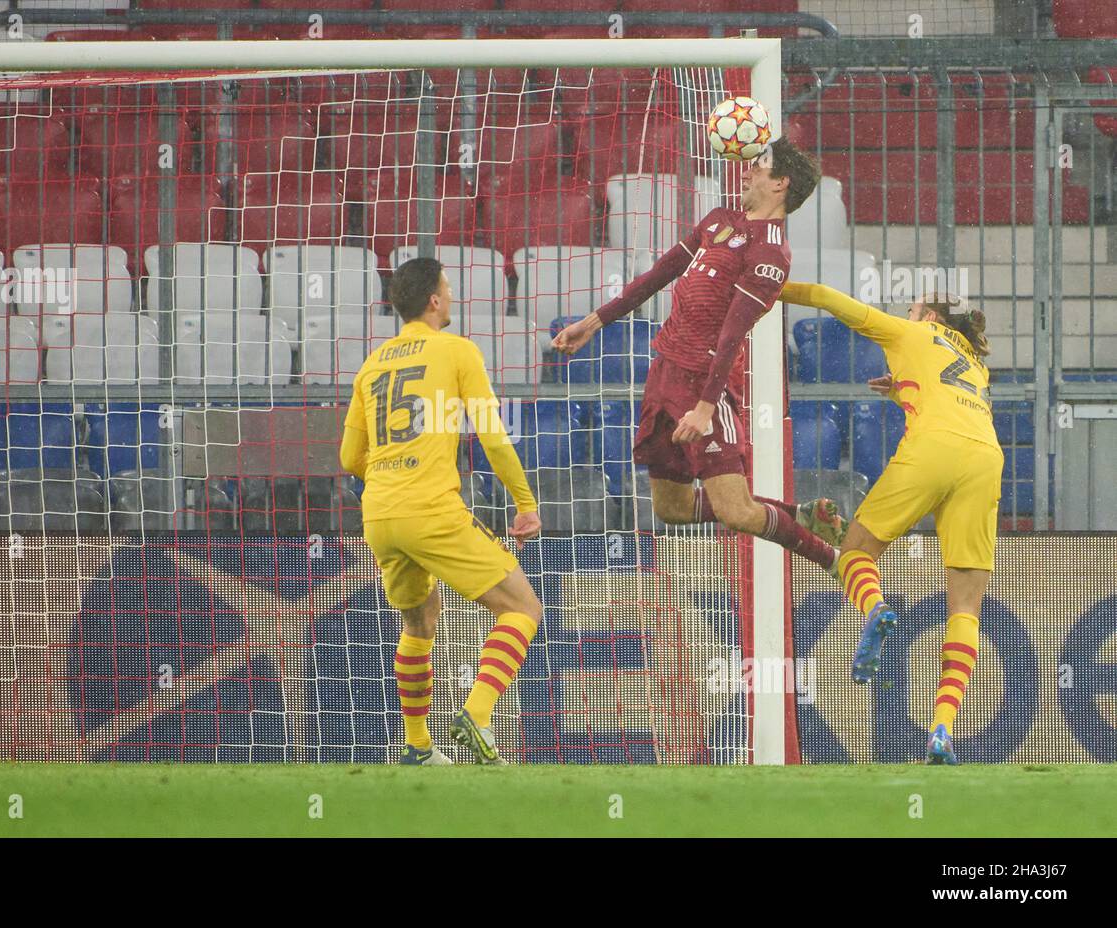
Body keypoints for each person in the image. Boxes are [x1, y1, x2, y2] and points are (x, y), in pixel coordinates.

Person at [553, 137, 847, 569]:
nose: (745, 172)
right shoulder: (719, 221)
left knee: (737, 512)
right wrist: (594, 322)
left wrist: (707, 408)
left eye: (758, 168)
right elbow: (658, 275)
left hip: (702, 384)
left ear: (781, 183)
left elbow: (733, 332)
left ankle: (831, 558)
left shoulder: (770, 253)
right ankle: (798, 515)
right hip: (664, 373)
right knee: (670, 508)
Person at [780, 282, 1001, 766]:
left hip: (933, 448)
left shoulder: (914, 333)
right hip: (985, 458)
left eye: (913, 306)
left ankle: (875, 608)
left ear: (930, 316)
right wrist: (900, 386)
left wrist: (770, 285)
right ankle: (941, 730)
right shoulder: (976, 361)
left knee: (854, 553)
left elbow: (825, 297)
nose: (907, 311)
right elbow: (946, 388)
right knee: (965, 606)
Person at [340, 258, 543, 766]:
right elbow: (493, 437)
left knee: (420, 622)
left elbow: (348, 459)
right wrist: (525, 503)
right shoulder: (457, 351)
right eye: (448, 290)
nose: (450, 297)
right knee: (522, 610)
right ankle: (475, 715)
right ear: (433, 300)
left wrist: (393, 475)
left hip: (380, 516)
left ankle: (418, 748)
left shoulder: (372, 364)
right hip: (429, 508)